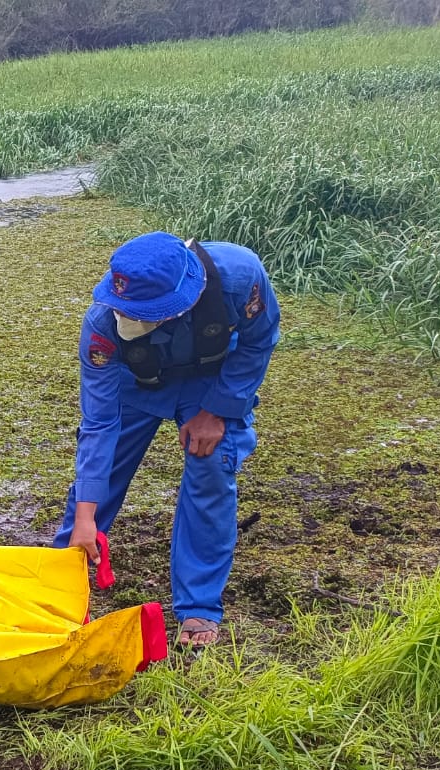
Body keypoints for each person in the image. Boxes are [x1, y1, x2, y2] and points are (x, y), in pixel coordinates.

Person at [53, 232, 279, 648]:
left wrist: (218, 410)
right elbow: (99, 425)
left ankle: (198, 607)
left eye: (146, 312)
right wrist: (87, 515)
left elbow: (257, 341)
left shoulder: (239, 276)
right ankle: (57, 587)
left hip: (208, 380)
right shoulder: (103, 326)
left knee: (211, 466)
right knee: (93, 494)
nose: (128, 318)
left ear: (184, 298)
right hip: (136, 382)